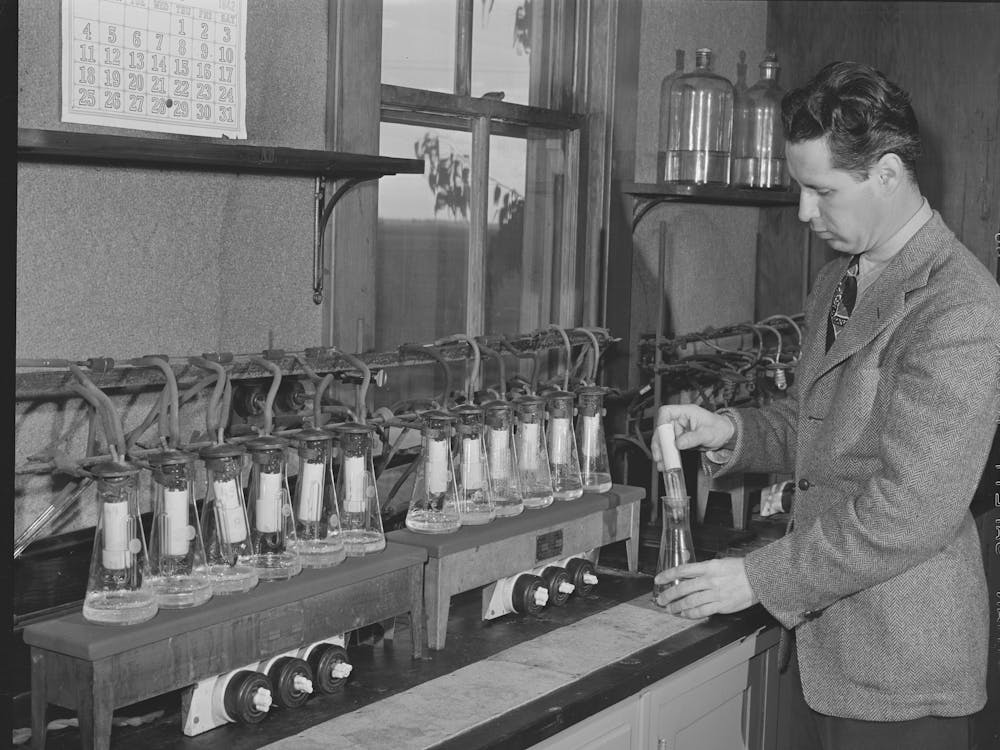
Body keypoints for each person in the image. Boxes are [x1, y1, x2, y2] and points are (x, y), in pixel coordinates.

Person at [652, 61, 1000, 750]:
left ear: (889, 174)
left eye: (822, 191)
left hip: (899, 673)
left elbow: (910, 512)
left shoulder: (961, 306)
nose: (806, 213)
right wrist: (730, 430)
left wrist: (755, 578)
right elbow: (819, 421)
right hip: (819, 647)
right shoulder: (840, 278)